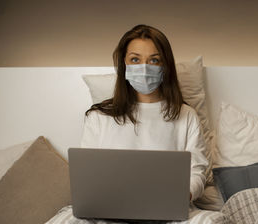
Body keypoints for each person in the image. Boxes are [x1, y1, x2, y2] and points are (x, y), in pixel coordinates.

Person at [80, 24, 208, 202]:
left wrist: (181, 196)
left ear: (165, 66)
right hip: (111, 209)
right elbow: (87, 175)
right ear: (124, 64)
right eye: (135, 60)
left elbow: (197, 172)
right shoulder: (98, 117)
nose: (145, 68)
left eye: (154, 60)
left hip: (168, 210)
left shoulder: (186, 115)